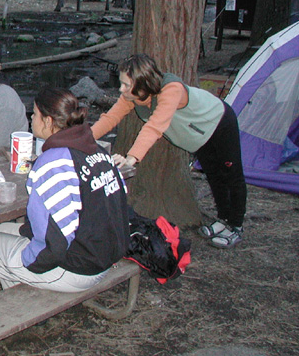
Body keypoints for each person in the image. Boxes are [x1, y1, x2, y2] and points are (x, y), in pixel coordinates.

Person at [0, 87, 129, 356]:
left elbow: (52, 247)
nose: (31, 119)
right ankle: (21, 306)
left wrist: (27, 265)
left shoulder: (51, 164)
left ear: (49, 122)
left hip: (78, 268)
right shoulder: (97, 151)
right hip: (106, 255)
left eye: (35, 114)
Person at [91, 54, 247, 248]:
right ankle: (223, 219)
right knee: (214, 175)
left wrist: (131, 159)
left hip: (219, 122)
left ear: (142, 83)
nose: (121, 89)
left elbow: (155, 126)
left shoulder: (171, 89)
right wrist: (83, 139)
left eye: (125, 84)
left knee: (232, 175)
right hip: (200, 137)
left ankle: (236, 226)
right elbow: (110, 118)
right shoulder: (133, 95)